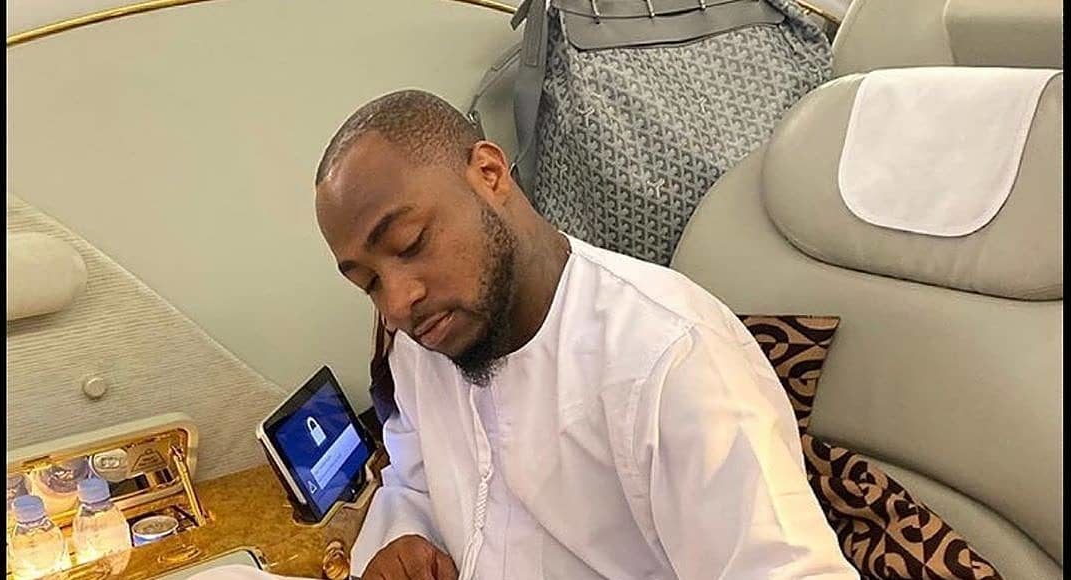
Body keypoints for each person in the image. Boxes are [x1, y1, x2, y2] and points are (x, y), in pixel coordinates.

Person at [313, 90, 858, 580]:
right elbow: (414, 481)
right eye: (369, 283)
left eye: (410, 243)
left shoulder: (670, 358)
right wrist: (405, 534)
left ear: (490, 174)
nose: (397, 303)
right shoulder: (423, 345)